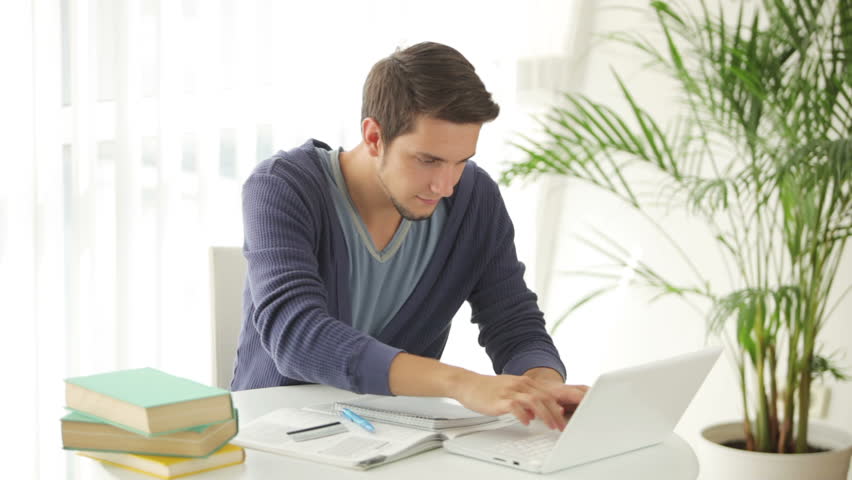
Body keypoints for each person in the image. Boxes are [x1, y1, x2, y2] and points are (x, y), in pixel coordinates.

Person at [232, 41, 587, 431]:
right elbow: (296, 334)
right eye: (428, 160)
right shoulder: (282, 187)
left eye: (461, 162)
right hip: (273, 436)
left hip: (398, 439)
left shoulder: (475, 200)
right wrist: (461, 383)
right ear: (373, 137)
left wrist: (542, 387)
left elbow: (513, 321)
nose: (445, 185)